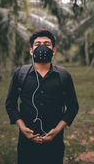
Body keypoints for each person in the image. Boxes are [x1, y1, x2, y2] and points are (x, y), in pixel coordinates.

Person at [5, 29, 79, 164]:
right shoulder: (20, 74)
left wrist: (56, 131)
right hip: (26, 142)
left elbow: (73, 107)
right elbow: (10, 104)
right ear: (31, 50)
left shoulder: (63, 76)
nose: (42, 47)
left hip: (55, 142)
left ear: (54, 50)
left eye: (47, 44)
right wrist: (22, 126)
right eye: (38, 44)